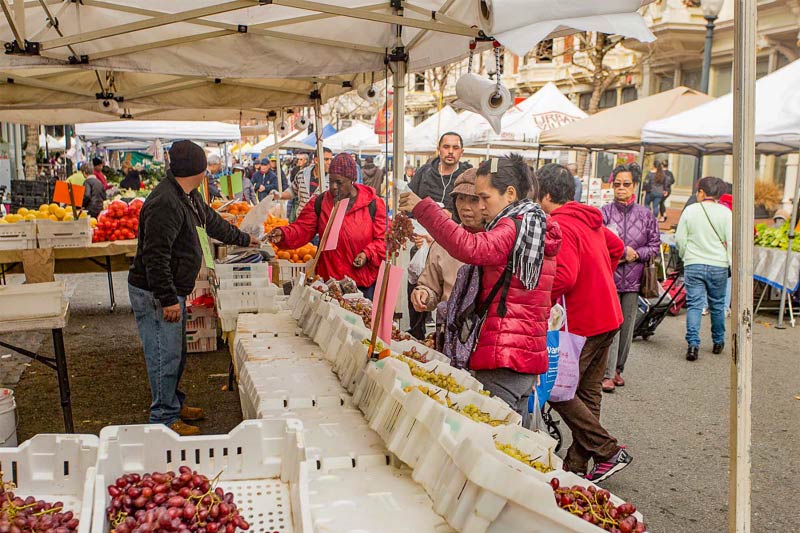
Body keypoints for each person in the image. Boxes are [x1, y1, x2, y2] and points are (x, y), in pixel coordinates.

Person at [400, 155, 561, 427]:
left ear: (510, 193)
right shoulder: (535, 226)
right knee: (514, 443)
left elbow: (471, 249)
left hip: (503, 357)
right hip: (525, 356)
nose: (481, 206)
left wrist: (423, 208)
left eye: (484, 198)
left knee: (492, 438)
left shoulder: (514, 225)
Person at [128, 140, 259, 436]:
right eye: (205, 167)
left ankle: (172, 404)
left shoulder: (187, 195)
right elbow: (155, 255)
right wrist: (166, 299)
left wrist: (243, 239)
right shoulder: (166, 203)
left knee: (176, 353)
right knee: (164, 354)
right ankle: (163, 418)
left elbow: (210, 222)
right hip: (155, 292)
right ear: (198, 170)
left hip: (173, 288)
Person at [537, 163, 631, 483]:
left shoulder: (559, 224)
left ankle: (607, 450)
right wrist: (600, 274)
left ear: (546, 194)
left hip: (583, 319)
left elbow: (563, 276)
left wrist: (540, 303)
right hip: (608, 313)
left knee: (555, 387)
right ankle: (576, 465)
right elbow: (616, 248)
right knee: (589, 392)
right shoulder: (587, 219)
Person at [268, 153, 386, 298]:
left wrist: (367, 254)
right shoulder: (320, 202)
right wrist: (283, 233)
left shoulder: (373, 204)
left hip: (362, 286)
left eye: (339, 182)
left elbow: (384, 240)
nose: (334, 187)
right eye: (331, 181)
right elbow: (302, 228)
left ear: (352, 180)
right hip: (329, 284)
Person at [600, 164, 660, 393]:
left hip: (634, 281)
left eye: (626, 184)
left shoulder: (645, 215)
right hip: (609, 278)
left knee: (627, 328)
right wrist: (620, 252)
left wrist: (637, 254)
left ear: (634, 186)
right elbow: (598, 242)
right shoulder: (604, 213)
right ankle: (606, 372)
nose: (621, 188)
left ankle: (617, 370)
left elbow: (654, 245)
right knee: (611, 327)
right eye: (617, 184)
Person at [406, 133, 471, 340]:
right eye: (446, 147)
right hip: (423, 241)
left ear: (461, 151)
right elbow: (409, 204)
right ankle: (418, 331)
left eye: (455, 147)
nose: (450, 151)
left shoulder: (467, 176)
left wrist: (449, 218)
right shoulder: (425, 173)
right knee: (418, 283)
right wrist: (416, 232)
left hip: (453, 243)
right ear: (439, 149)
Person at [410, 168, 485, 315]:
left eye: (474, 199)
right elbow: (430, 286)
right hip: (449, 329)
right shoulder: (444, 240)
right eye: (460, 198)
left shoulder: (497, 240)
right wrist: (423, 293)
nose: (465, 207)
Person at [676, 176, 732, 361]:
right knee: (717, 304)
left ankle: (693, 344)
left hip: (694, 262)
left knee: (694, 304)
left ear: (701, 192)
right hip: (719, 264)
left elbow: (680, 239)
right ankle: (718, 341)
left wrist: (686, 256)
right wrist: (729, 262)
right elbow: (731, 241)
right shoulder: (726, 213)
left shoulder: (690, 211)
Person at [279, 148, 333, 221]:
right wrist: (280, 195)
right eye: (326, 159)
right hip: (301, 221)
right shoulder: (302, 173)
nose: (329, 162)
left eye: (331, 159)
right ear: (316, 160)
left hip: (320, 224)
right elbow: (293, 190)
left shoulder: (333, 180)